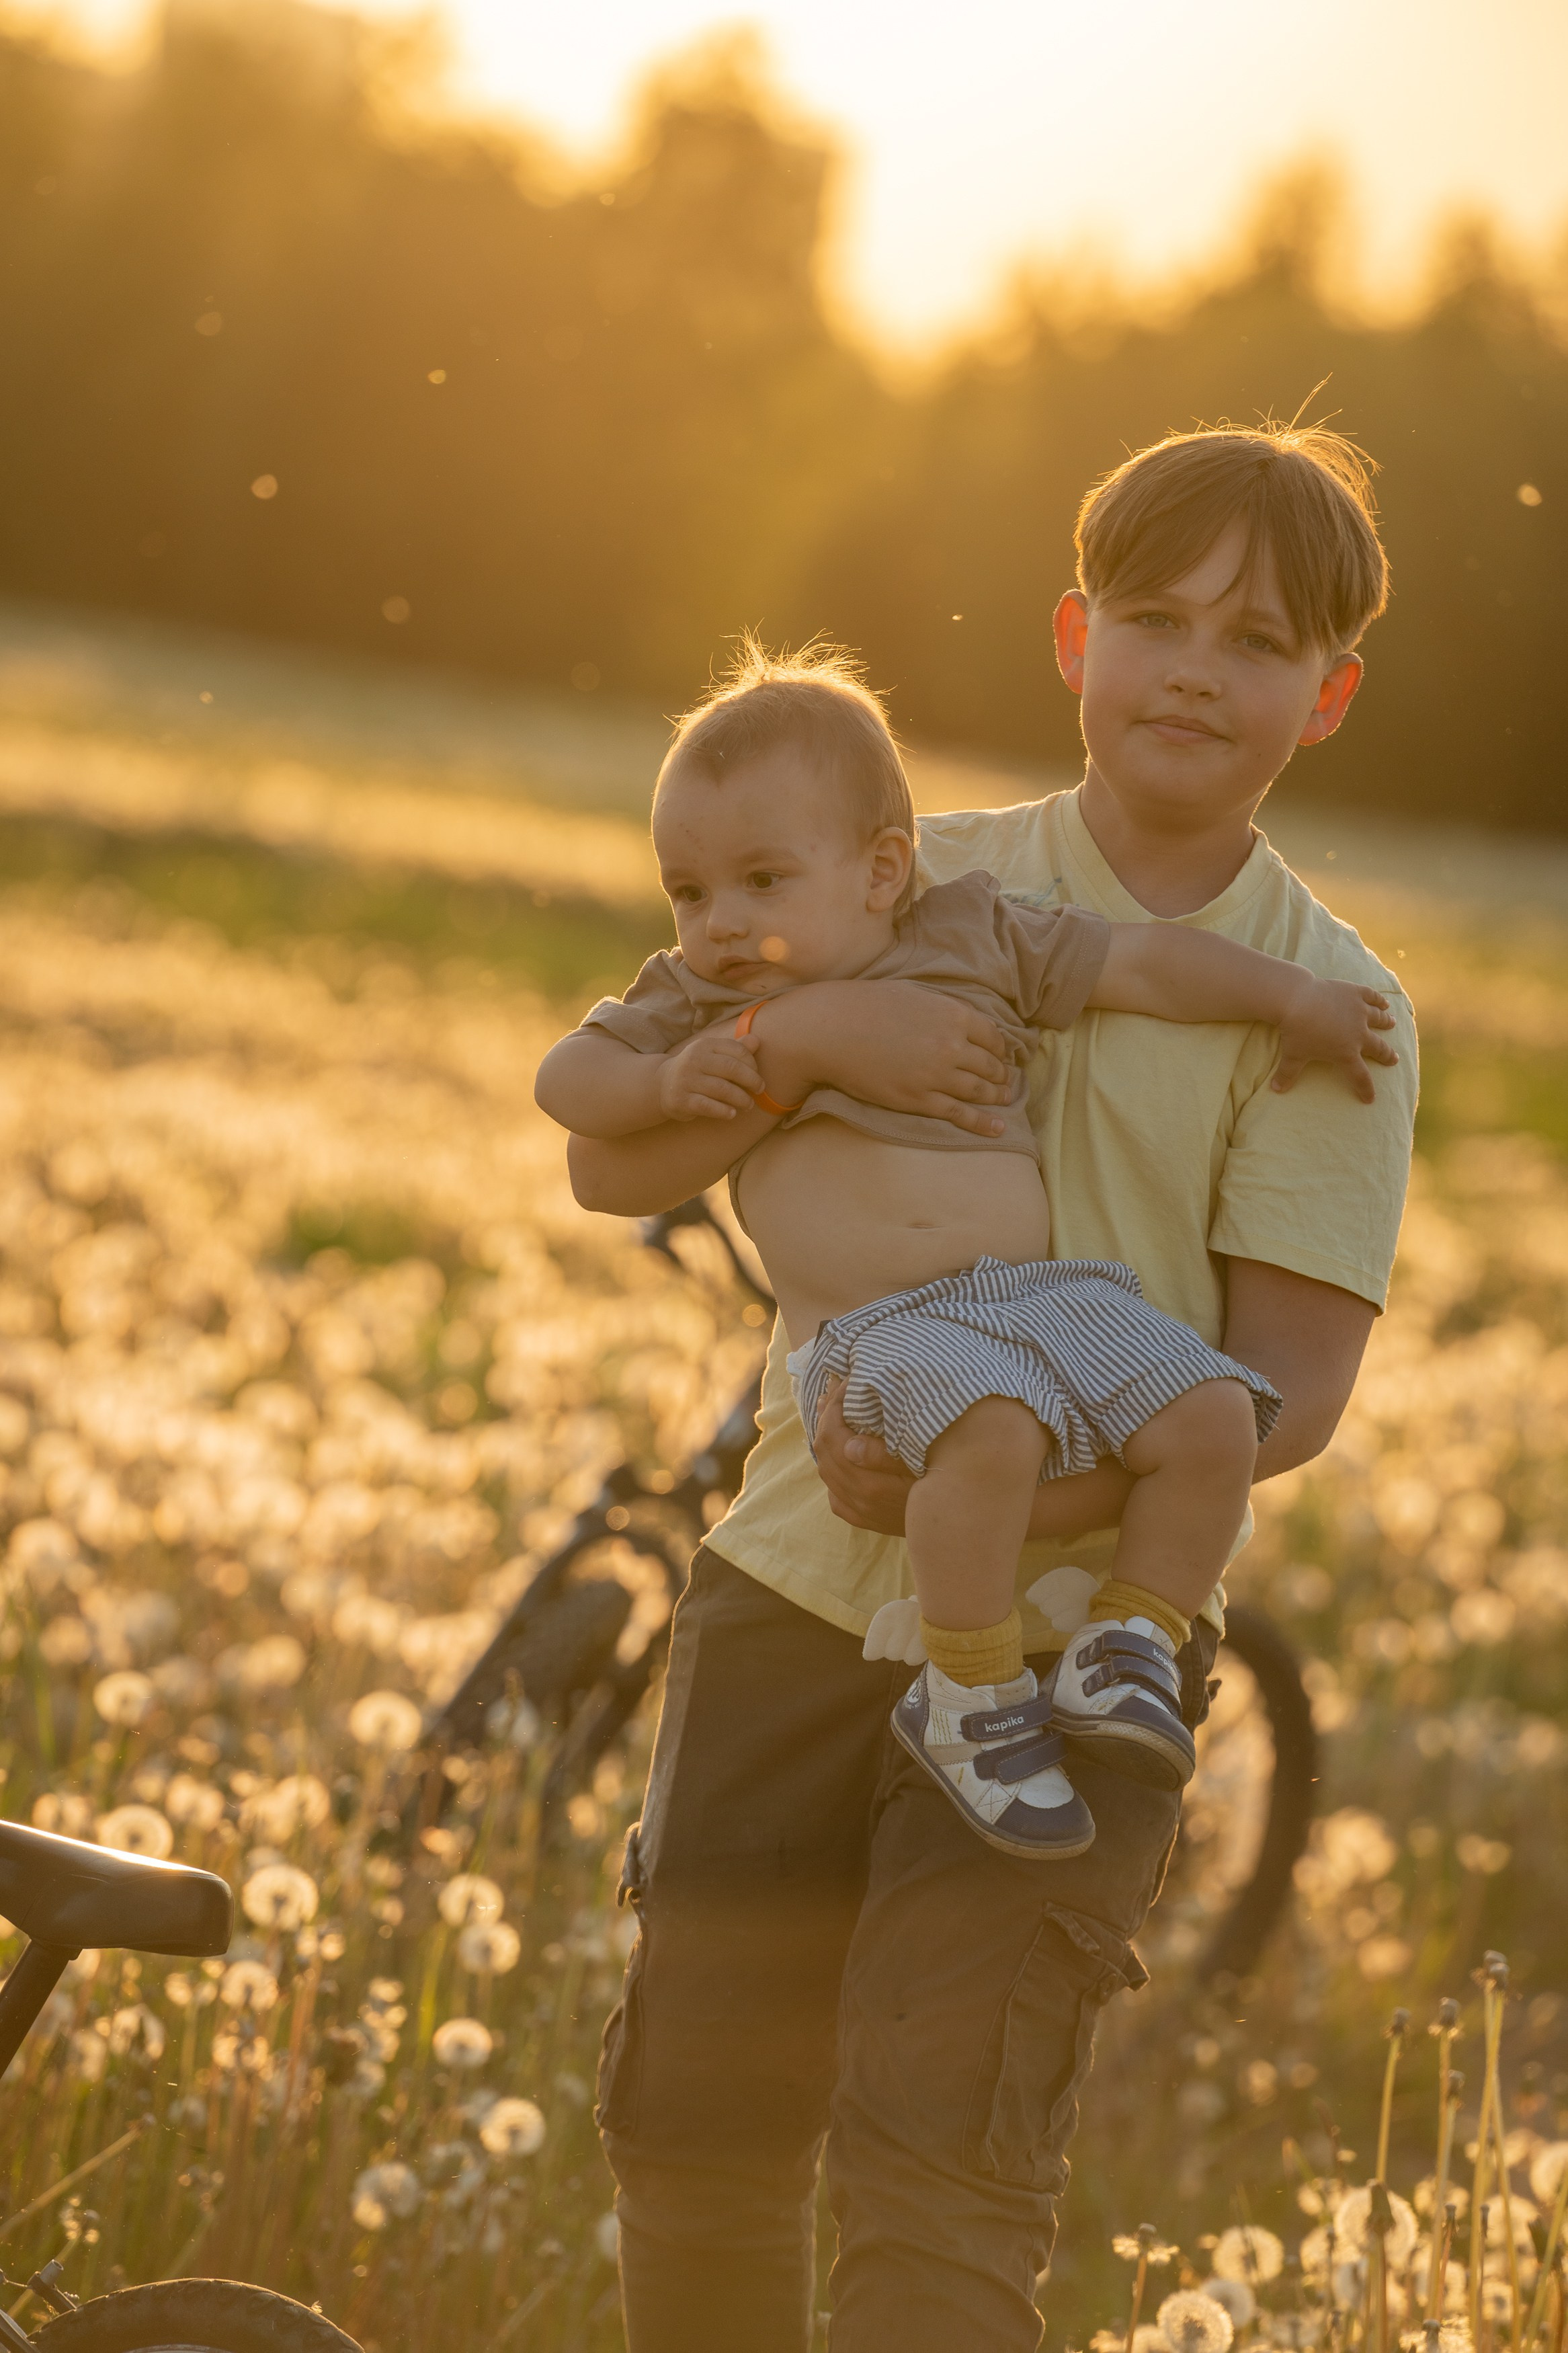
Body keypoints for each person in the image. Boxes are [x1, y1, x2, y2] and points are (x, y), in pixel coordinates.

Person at [565, 424, 1419, 2353]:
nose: (1192, 668)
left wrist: (1014, 1494)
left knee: (943, 2174)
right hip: (792, 1581)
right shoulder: (896, 870)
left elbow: (1286, 1389)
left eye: (1257, 640)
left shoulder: (1326, 1000)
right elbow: (613, 1153)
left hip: (1077, 1650)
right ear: (1072, 638)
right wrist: (810, 1030)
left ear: (1327, 694)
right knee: (695, 2124)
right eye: (1153, 618)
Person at [536, 650, 1397, 1862]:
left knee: (1216, 1410)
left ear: (883, 870)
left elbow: (1143, 966)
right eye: (688, 892)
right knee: (990, 1431)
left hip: (1038, 1301)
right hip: (885, 1334)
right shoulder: (703, 1001)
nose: (720, 920)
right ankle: (974, 1692)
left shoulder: (968, 925)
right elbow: (570, 1087)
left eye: (760, 881)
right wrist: (694, 1071)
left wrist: (1288, 999)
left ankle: (1128, 1642)